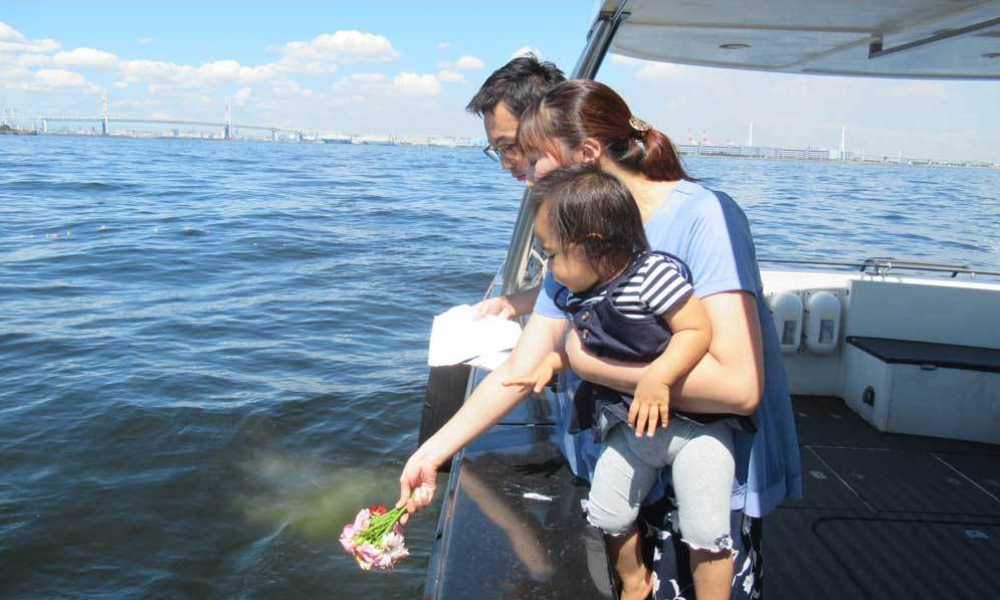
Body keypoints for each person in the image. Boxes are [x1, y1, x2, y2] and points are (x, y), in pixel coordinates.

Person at [503, 164, 736, 600]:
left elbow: (695, 329)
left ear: (592, 244)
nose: (549, 268)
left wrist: (658, 377)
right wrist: (553, 362)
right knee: (607, 513)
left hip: (696, 428)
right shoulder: (582, 295)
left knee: (706, 531)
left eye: (552, 255)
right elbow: (597, 345)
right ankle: (634, 580)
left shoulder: (653, 275)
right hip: (631, 428)